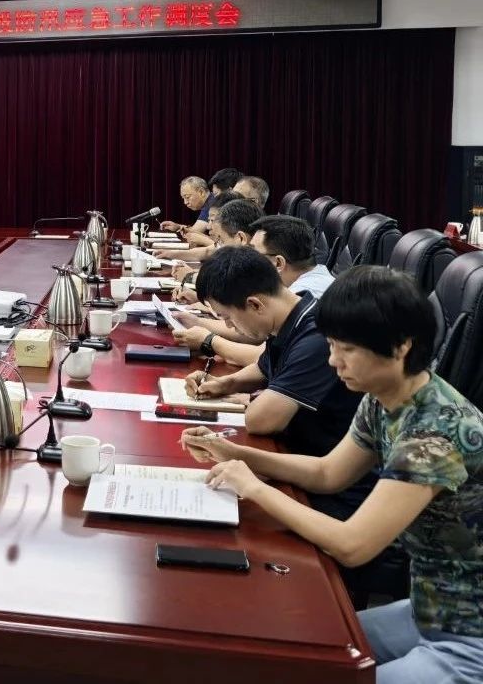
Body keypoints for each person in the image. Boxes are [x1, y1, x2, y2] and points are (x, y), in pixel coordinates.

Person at [182, 267, 483, 683]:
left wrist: (254, 488)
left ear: (401, 346)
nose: (333, 361)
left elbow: (352, 546)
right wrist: (238, 454)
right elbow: (327, 473)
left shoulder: (433, 434)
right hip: (430, 609)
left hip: (470, 636)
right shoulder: (385, 398)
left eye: (347, 349)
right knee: (295, 653)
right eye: (331, 346)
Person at [182, 247, 374, 521]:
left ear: (255, 305)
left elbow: (260, 421)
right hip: (307, 466)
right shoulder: (294, 314)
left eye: (227, 317)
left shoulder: (317, 336)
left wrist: (240, 448)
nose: (230, 327)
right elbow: (264, 367)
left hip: (335, 495)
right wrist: (225, 383)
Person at [171, 199, 266, 366]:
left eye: (221, 240)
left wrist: (208, 338)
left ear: (241, 238)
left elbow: (255, 339)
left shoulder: (260, 272)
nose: (217, 247)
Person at [251, 215, 334, 298]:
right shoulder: (321, 275)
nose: (249, 260)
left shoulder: (300, 298)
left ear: (278, 263)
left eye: (253, 255)